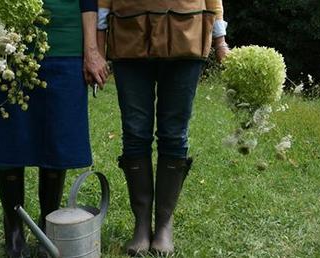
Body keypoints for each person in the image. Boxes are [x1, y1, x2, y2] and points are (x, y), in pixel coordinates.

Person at [0, 1, 108, 257]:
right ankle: (14, 233)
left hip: (64, 41)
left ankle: (49, 226)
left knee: (57, 137)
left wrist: (92, 49)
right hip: (3, 41)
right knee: (8, 135)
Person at [97, 0, 230, 256]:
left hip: (186, 33)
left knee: (174, 133)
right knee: (135, 132)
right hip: (128, 33)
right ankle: (142, 225)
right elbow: (103, 2)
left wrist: (220, 41)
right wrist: (99, 45)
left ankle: (164, 224)